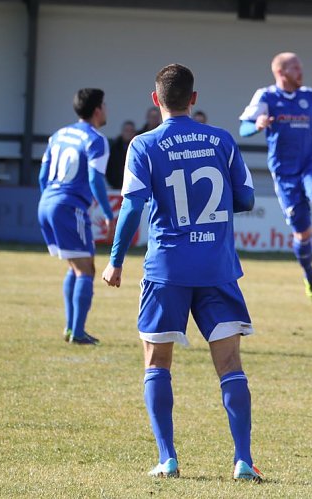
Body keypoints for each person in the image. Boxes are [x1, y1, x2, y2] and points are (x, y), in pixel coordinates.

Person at [102, 64, 262, 482]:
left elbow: (132, 206)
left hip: (167, 269)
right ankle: (243, 460)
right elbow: (245, 198)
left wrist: (116, 259)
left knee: (157, 361)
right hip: (217, 267)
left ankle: (168, 459)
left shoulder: (143, 144)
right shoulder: (222, 140)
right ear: (194, 98)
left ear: (156, 100)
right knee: (229, 364)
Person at [238, 52, 312, 305]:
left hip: (310, 164)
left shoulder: (309, 95)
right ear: (281, 72)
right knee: (302, 235)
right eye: (296, 68)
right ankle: (309, 275)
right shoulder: (266, 96)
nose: (301, 72)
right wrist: (257, 125)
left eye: (301, 67)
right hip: (284, 173)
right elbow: (243, 128)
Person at [38, 88, 115, 345]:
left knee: (75, 265)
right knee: (86, 269)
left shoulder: (58, 135)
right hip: (68, 206)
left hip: (47, 202)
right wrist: (107, 213)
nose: (106, 110)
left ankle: (71, 329)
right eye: (104, 105)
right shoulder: (96, 139)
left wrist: (49, 199)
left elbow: (42, 176)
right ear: (97, 110)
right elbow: (95, 178)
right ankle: (78, 333)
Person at [106, 120, 136, 189]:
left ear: (134, 133)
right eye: (126, 130)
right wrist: (114, 183)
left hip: (134, 187)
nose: (128, 133)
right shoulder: (114, 148)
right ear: (122, 132)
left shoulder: (139, 148)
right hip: (116, 186)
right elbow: (109, 168)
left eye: (131, 130)